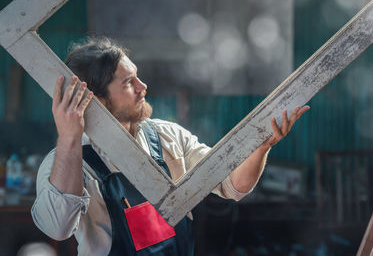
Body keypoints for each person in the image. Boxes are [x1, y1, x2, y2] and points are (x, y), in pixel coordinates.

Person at [31, 37, 309, 256]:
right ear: (98, 100)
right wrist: (69, 138)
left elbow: (234, 185)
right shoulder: (66, 162)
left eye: (137, 76)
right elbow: (58, 229)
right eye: (129, 82)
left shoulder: (168, 136)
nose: (143, 86)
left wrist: (261, 147)